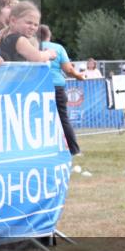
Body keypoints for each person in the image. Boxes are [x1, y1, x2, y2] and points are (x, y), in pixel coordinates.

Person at [38, 24, 83, 155]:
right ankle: (74, 150)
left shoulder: (31, 48)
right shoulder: (58, 48)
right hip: (56, 86)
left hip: (37, 87)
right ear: (49, 35)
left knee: (37, 119)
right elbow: (68, 70)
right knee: (63, 118)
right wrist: (78, 76)